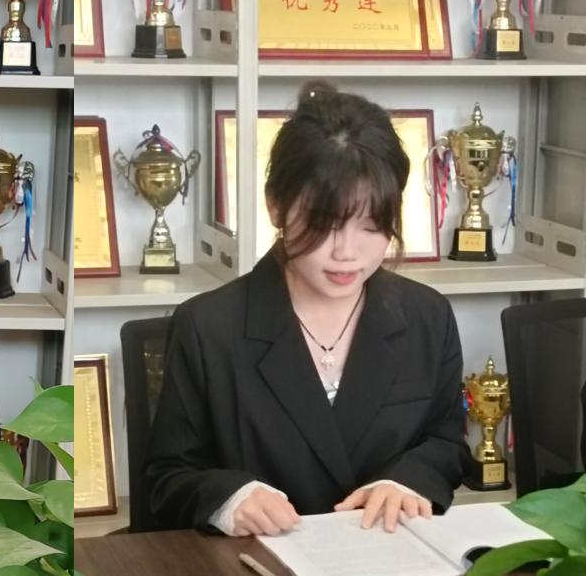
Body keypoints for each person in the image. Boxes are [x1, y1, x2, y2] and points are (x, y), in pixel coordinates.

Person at [145, 84, 471, 536]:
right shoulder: (207, 327)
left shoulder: (427, 317)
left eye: (372, 226)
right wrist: (229, 497)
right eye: (325, 225)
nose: (347, 253)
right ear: (275, 206)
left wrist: (407, 480)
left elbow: (446, 443)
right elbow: (167, 480)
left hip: (387, 556)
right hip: (256, 564)